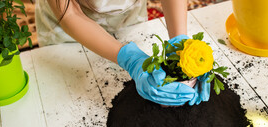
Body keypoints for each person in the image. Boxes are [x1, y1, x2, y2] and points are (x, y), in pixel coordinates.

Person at [36, 0, 210, 106]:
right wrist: (131, 59)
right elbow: (69, 14)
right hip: (69, 32)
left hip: (127, 18)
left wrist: (180, 44)